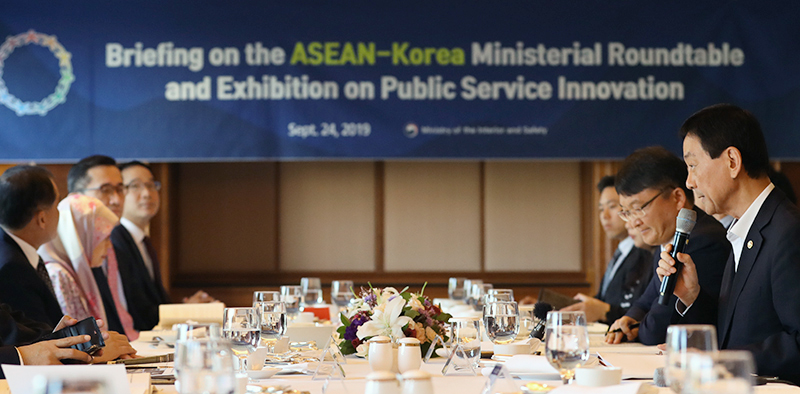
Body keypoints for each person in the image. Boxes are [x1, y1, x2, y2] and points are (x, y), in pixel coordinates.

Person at [658, 104, 800, 384]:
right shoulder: (745, 228)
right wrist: (692, 296)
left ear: (732, 161)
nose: (689, 182)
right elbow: (737, 329)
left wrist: (722, 360)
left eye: (693, 166)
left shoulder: (788, 231)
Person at [0, 166, 136, 362]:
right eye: (56, 205)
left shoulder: (18, 255)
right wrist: (85, 349)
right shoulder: (10, 266)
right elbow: (16, 340)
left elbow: (17, 324)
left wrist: (73, 338)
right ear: (42, 218)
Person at [605, 146, 730, 345]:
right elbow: (645, 301)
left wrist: (639, 328)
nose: (633, 222)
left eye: (638, 209)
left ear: (678, 198)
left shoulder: (701, 242)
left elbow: (656, 332)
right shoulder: (667, 238)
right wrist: (630, 319)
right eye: (627, 212)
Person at [112, 161, 214, 331]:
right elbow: (137, 311)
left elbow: (154, 305)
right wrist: (185, 311)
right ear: (120, 193)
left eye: (151, 185)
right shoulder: (117, 241)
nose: (146, 193)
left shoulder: (143, 241)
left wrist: (187, 308)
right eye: (135, 186)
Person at [561, 175, 653, 324]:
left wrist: (604, 311)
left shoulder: (646, 252)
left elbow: (636, 307)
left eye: (612, 206)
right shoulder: (621, 253)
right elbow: (604, 300)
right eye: (601, 209)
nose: (604, 216)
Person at [39, 195, 126, 336]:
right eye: (104, 238)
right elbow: (75, 340)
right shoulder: (58, 275)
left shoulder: (79, 273)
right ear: (80, 236)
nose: (109, 246)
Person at [0, 166, 65, 327]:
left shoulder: (12, 251)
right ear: (42, 218)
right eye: (56, 206)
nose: (59, 213)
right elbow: (39, 337)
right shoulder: (12, 269)